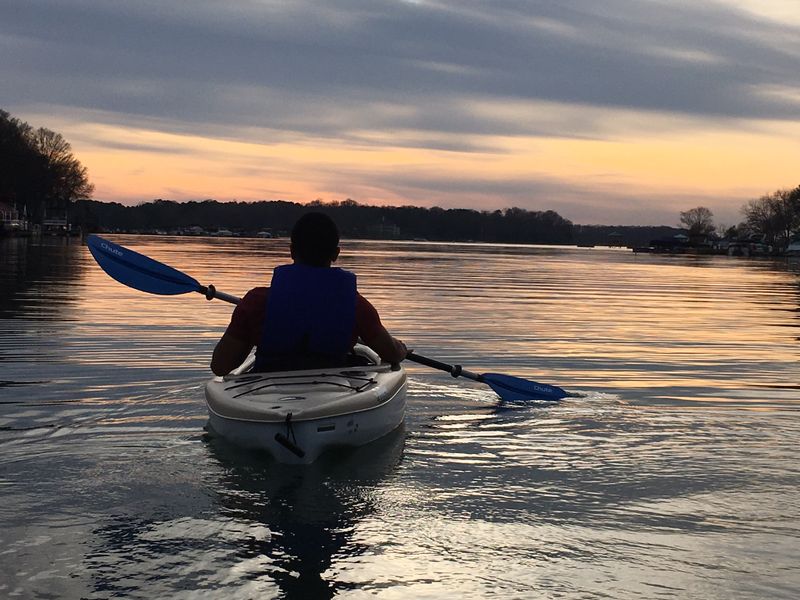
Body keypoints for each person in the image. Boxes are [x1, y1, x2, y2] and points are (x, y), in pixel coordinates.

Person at [211, 212, 407, 376]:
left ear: (291, 251)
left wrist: (251, 334)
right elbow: (391, 354)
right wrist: (400, 348)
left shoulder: (255, 302)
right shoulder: (354, 305)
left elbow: (220, 366)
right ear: (336, 254)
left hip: (266, 395)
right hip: (334, 393)